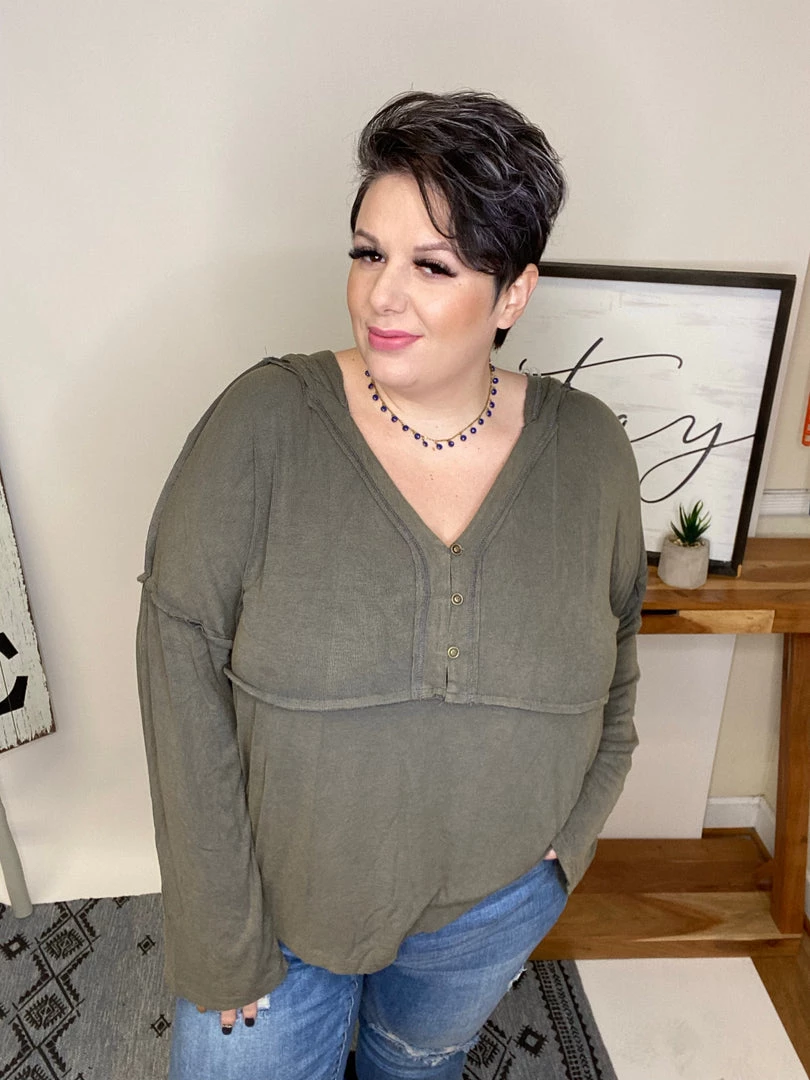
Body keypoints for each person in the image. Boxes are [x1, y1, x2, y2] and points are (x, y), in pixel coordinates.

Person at [136, 89, 647, 1080]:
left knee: (415, 1065)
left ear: (513, 295)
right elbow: (177, 668)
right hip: (276, 913)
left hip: (496, 904)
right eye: (368, 254)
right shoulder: (262, 425)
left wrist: (572, 839)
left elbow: (621, 646)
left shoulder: (590, 451)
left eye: (433, 266)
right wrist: (219, 934)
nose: (382, 296)